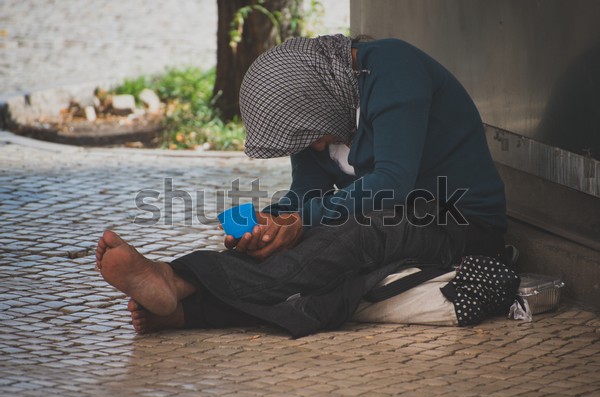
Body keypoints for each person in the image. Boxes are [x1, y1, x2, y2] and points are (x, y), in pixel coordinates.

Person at [96, 35, 516, 337]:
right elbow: (309, 196)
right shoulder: (315, 114)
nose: (314, 146)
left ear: (315, 99)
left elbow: (391, 185)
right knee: (336, 270)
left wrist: (301, 219)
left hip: (459, 221)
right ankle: (190, 311)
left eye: (309, 135)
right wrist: (274, 223)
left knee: (358, 234)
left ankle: (177, 280)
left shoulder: (394, 71)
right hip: (393, 217)